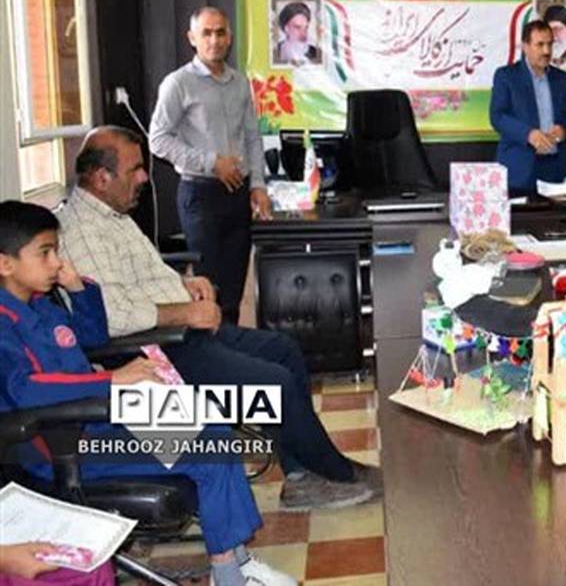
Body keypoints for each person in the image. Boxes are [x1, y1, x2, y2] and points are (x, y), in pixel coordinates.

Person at [56, 126, 379, 512]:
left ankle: (302, 475)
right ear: (101, 177)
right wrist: (185, 311)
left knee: (284, 349)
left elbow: (140, 281)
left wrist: (184, 283)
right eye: (135, 170)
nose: (144, 177)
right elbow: (111, 315)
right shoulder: (82, 233)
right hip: (149, 352)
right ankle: (335, 472)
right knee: (272, 382)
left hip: (177, 333)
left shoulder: (113, 215)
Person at [0, 201, 295, 586]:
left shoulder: (41, 305)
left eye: (56, 250)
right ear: (5, 263)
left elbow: (92, 337)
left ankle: (238, 561)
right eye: (45, 253)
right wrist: (111, 380)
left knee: (213, 429)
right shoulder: (5, 323)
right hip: (64, 445)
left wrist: (77, 288)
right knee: (208, 453)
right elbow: (24, 389)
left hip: (101, 418)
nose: (57, 262)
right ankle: (229, 573)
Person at [148, 6, 272, 325]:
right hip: (200, 195)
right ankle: (212, 348)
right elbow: (157, 140)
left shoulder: (239, 83)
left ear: (229, 38)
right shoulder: (178, 83)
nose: (214, 40)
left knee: (233, 290)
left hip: (238, 195)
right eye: (206, 33)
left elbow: (252, 137)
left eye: (220, 33)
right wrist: (211, 163)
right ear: (192, 38)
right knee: (209, 287)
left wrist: (258, 185)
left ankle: (232, 343)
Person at [489, 19, 566, 194]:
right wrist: (528, 134)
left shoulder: (561, 79)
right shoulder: (506, 76)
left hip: (555, 170)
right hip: (518, 171)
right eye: (540, 45)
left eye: (550, 44)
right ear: (525, 47)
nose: (546, 51)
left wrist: (564, 131)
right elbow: (497, 117)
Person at [273, 2, 321, 67]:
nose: (303, 33)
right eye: (297, 27)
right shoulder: (274, 52)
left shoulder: (315, 52)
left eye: (306, 27)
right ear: (286, 28)